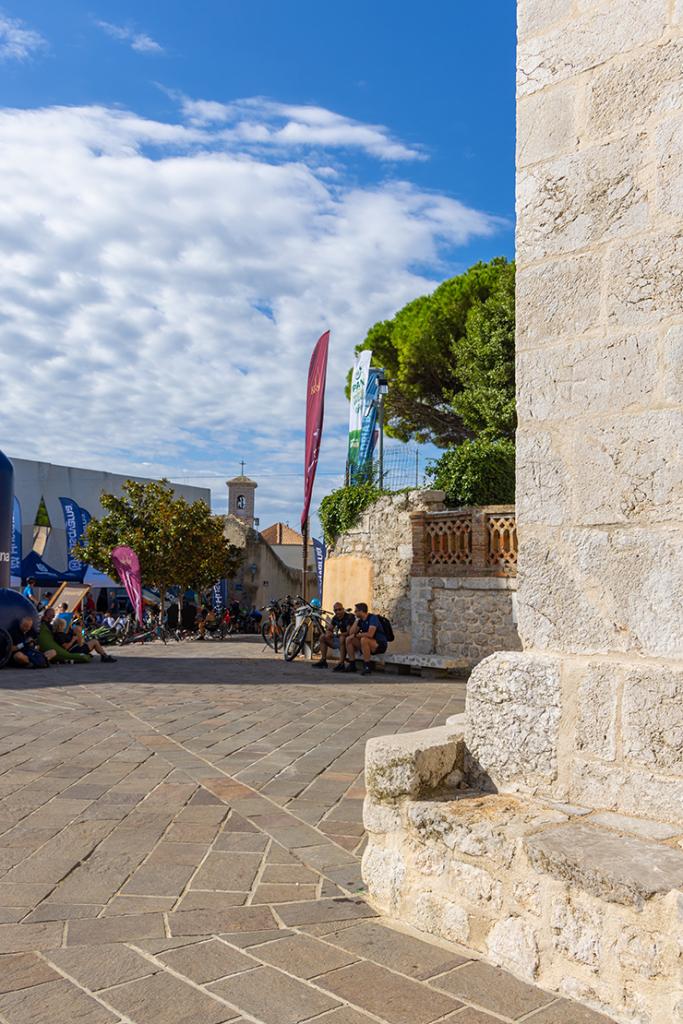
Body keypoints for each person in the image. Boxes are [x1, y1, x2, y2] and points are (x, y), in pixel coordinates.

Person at [345, 602, 388, 676]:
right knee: (349, 639)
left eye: (356, 611)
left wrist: (357, 635)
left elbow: (370, 634)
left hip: (379, 644)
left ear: (361, 611)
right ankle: (352, 664)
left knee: (364, 639)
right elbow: (351, 633)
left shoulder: (373, 618)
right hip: (367, 645)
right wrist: (356, 620)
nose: (354, 612)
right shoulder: (360, 620)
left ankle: (367, 666)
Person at [313, 603, 356, 672]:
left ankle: (341, 663)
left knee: (342, 637)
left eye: (340, 609)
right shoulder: (335, 618)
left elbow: (349, 632)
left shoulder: (348, 617)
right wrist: (329, 633)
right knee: (322, 637)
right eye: (336, 610)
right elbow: (330, 628)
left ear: (343, 609)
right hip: (340, 638)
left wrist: (337, 635)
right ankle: (323, 660)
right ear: (334, 611)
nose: (338, 611)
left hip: (349, 639)